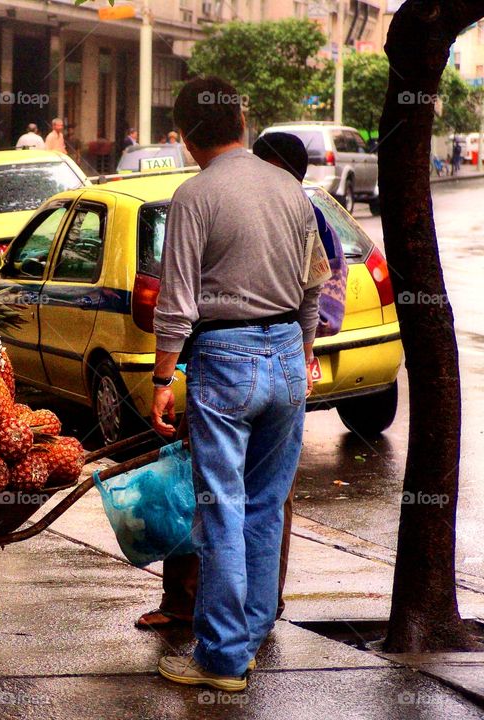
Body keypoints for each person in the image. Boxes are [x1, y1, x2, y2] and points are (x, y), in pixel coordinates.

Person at [151, 76, 325, 693]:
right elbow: (314, 287)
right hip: (288, 355)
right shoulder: (290, 190)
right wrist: (303, 353)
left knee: (221, 509)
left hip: (226, 358)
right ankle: (245, 639)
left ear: (188, 137)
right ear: (242, 124)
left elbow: (177, 303)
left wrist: (162, 377)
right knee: (264, 507)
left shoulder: (194, 196)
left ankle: (222, 659)